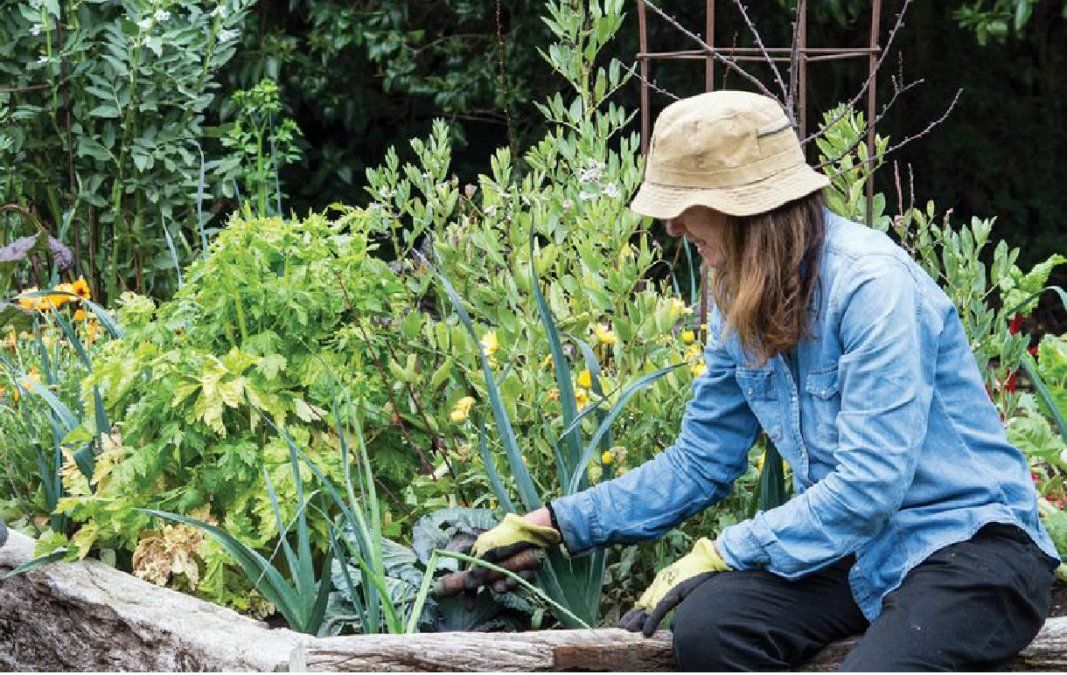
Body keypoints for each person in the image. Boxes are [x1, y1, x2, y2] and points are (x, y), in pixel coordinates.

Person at [469, 90, 1060, 671]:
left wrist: (724, 551)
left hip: (973, 551)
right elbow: (699, 462)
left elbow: (869, 485)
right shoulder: (740, 301)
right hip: (857, 552)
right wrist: (557, 523)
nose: (673, 225)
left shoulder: (873, 289)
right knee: (710, 629)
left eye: (685, 203)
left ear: (746, 205)